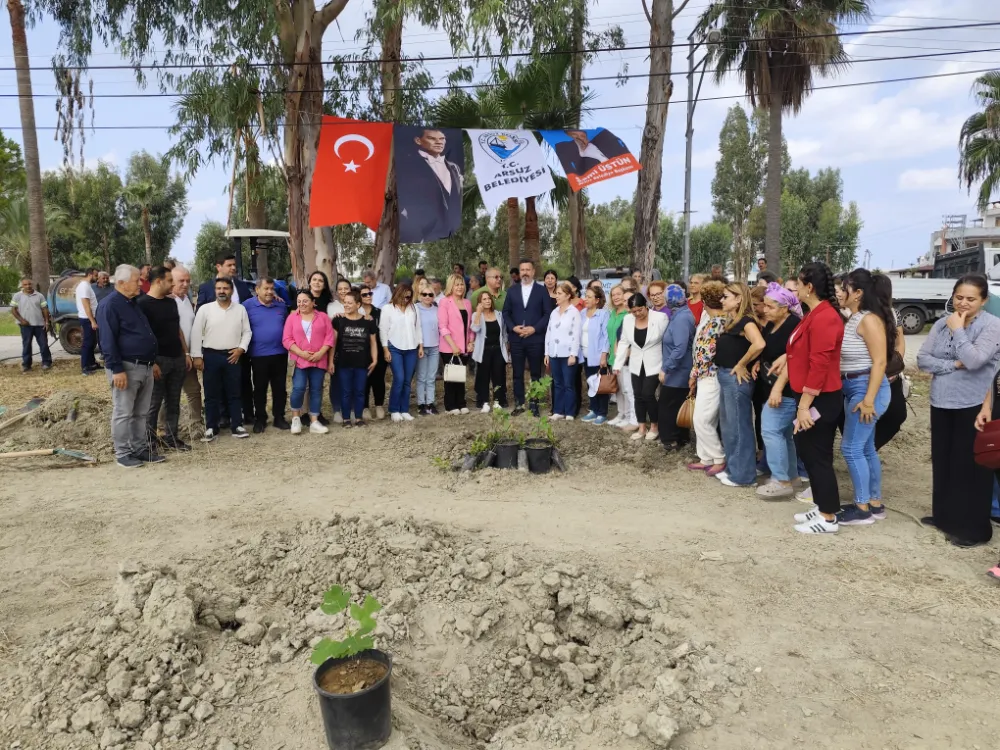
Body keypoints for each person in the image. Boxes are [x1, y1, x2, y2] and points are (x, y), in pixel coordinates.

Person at [920, 274, 1000, 547]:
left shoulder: (992, 326)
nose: (963, 303)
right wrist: (952, 365)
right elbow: (922, 359)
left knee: (971, 467)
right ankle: (945, 516)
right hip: (940, 400)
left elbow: (976, 360)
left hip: (974, 403)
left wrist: (959, 330)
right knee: (943, 460)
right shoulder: (942, 323)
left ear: (984, 300)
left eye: (971, 299)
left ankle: (976, 529)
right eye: (959, 297)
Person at [786, 262, 846, 535]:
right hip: (811, 395)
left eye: (798, 283)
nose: (795, 288)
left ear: (809, 287)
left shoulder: (825, 317)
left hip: (821, 398)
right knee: (807, 449)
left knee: (817, 454)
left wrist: (804, 407)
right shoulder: (814, 313)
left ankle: (828, 515)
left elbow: (819, 364)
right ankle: (822, 504)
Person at [836, 268, 894, 525]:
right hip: (854, 386)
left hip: (866, 388)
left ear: (857, 293)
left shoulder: (869, 320)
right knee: (866, 447)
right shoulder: (855, 317)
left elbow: (880, 362)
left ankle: (862, 508)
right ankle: (874, 502)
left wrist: (869, 399)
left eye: (844, 288)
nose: (839, 292)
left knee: (851, 448)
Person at [97, 265, 160, 469]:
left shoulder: (133, 303)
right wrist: (116, 369)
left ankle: (139, 448)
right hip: (126, 367)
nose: (141, 284)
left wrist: (153, 360)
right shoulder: (110, 305)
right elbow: (107, 341)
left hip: (145, 366)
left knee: (141, 412)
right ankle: (123, 453)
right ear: (122, 283)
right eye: (137, 280)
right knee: (124, 411)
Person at [712, 283, 766, 487]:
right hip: (726, 376)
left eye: (726, 297)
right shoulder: (733, 321)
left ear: (738, 299)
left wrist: (742, 363)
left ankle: (743, 476)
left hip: (736, 379)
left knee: (739, 428)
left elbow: (759, 344)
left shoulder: (747, 321)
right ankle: (735, 469)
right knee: (728, 426)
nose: (722, 300)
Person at [190, 277, 253, 442]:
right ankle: (211, 427)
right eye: (219, 288)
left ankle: (237, 426)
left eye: (225, 288)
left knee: (234, 392)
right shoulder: (205, 309)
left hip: (233, 356)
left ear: (231, 290)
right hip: (211, 355)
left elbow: (247, 332)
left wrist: (241, 348)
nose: (222, 291)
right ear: (215, 290)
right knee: (211, 394)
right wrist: (196, 356)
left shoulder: (240, 309)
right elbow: (196, 332)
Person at [756, 283, 802, 499]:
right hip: (772, 386)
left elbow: (795, 361)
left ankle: (781, 480)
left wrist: (778, 388)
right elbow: (769, 349)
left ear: (785, 308)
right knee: (784, 435)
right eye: (764, 306)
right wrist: (759, 362)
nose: (765, 310)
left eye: (770, 307)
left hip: (786, 390)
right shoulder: (772, 324)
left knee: (771, 431)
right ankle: (791, 476)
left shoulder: (794, 326)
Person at [138, 266, 191, 452]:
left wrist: (185, 353)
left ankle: (171, 438)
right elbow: (142, 336)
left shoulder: (170, 303)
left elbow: (177, 330)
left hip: (177, 358)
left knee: (174, 401)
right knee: (153, 404)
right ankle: (149, 442)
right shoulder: (142, 304)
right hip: (158, 361)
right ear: (158, 281)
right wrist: (151, 363)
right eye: (170, 280)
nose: (173, 284)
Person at [502, 259, 555, 417]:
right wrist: (513, 327)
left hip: (535, 339)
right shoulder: (512, 291)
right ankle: (519, 404)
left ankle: (534, 405)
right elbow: (506, 313)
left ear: (533, 272)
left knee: (535, 374)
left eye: (528, 269)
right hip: (517, 339)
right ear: (519, 272)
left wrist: (534, 328)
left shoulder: (541, 291)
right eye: (522, 270)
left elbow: (547, 314)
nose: (525, 272)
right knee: (517, 374)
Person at [613, 293, 668, 440]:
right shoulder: (627, 319)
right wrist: (618, 364)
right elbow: (624, 342)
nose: (637, 314)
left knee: (648, 394)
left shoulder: (660, 318)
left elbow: (667, 341)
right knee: (637, 395)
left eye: (640, 310)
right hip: (636, 363)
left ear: (646, 306)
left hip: (655, 362)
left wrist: (667, 366)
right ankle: (642, 426)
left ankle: (655, 426)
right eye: (634, 311)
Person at [687, 281, 728, 475]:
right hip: (705, 375)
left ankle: (718, 457)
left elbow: (704, 354)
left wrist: (693, 373)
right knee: (703, 419)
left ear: (705, 301)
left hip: (711, 376)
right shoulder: (715, 321)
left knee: (702, 419)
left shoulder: (717, 322)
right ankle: (705, 457)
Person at [398, 128, 463, 243]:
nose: (439, 142)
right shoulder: (406, 164)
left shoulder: (454, 167)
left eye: (442, 139)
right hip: (417, 234)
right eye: (432, 138)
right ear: (418, 140)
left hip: (448, 233)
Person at [282, 290, 333, 435]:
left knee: (316, 389)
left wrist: (320, 353)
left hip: (319, 360)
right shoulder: (292, 318)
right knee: (298, 388)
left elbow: (329, 338)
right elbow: (286, 339)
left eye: (305, 301)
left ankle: (314, 421)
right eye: (299, 301)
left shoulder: (323, 317)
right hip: (299, 361)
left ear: (313, 302)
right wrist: (301, 353)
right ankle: (296, 418)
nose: (301, 304)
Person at [244, 277, 290, 433]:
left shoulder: (281, 305)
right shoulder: (247, 306)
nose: (270, 292)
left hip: (280, 353)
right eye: (266, 289)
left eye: (272, 289)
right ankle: (260, 419)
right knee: (260, 389)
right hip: (258, 356)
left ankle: (279, 417)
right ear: (257, 290)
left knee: (279, 388)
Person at [332, 290, 378, 427]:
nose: (346, 305)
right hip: (343, 363)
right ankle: (346, 418)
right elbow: (333, 343)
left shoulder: (368, 322)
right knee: (346, 392)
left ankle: (358, 418)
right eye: (345, 303)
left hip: (362, 363)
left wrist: (375, 360)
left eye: (349, 303)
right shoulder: (338, 320)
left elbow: (373, 342)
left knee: (359, 391)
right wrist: (330, 362)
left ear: (358, 304)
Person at [872, 274, 908, 450]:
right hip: (868, 375)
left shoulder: (894, 314)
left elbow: (900, 341)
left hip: (891, 376)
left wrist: (897, 360)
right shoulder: (862, 316)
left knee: (897, 415)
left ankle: (870, 448)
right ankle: (862, 451)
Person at [658, 285, 695, 450]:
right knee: (677, 403)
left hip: (677, 371)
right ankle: (681, 437)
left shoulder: (681, 319)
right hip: (679, 370)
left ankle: (671, 439)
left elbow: (679, 348)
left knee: (668, 405)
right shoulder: (680, 315)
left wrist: (666, 368)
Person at [380, 283, 424, 422]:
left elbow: (418, 328)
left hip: (411, 347)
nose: (406, 298)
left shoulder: (414, 308)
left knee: (407, 381)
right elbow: (383, 330)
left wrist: (420, 346)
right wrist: (385, 349)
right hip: (395, 347)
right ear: (398, 293)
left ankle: (404, 409)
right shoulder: (388, 309)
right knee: (399, 378)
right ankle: (394, 409)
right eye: (404, 295)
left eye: (409, 296)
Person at [170, 265, 203, 426]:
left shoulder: (187, 301)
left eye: (188, 281)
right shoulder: (168, 301)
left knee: (194, 390)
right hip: (175, 355)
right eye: (181, 281)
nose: (185, 284)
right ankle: (163, 428)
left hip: (188, 355)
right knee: (170, 394)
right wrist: (184, 353)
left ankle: (196, 423)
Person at [545, 282, 583, 421]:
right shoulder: (554, 312)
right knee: (558, 383)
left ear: (568, 295)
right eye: (556, 293)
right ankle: (558, 410)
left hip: (568, 354)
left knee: (569, 384)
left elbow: (576, 334)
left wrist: (573, 354)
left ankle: (570, 412)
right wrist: (546, 353)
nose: (556, 296)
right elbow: (549, 332)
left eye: (560, 293)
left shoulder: (574, 312)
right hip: (554, 353)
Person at [439, 274, 474, 415]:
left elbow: (470, 326)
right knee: (451, 378)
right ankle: (450, 405)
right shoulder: (445, 302)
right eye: (456, 284)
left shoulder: (467, 303)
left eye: (461, 284)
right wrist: (453, 345)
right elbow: (443, 326)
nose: (460, 287)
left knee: (460, 376)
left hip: (464, 347)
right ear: (451, 286)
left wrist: (471, 341)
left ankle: (461, 403)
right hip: (449, 347)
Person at [471, 292, 509, 412]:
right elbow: (475, 329)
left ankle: (498, 400)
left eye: (489, 299)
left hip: (498, 349)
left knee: (498, 376)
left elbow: (504, 332)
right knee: (483, 376)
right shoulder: (476, 315)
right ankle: (484, 402)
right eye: (484, 299)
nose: (487, 301)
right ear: (480, 302)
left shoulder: (498, 314)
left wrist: (507, 346)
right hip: (484, 350)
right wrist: (478, 313)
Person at [607, 285, 638, 430]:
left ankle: (630, 417)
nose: (617, 298)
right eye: (613, 295)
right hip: (616, 357)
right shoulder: (612, 313)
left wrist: (622, 355)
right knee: (619, 389)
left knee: (628, 389)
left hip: (628, 359)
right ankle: (622, 414)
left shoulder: (629, 316)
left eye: (619, 294)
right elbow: (616, 339)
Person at [579, 285, 610, 425]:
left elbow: (606, 337)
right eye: (586, 296)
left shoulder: (603, 314)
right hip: (585, 355)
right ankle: (593, 409)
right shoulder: (582, 313)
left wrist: (604, 355)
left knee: (600, 385)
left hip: (598, 356)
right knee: (591, 383)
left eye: (589, 297)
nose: (586, 299)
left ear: (597, 300)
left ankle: (602, 412)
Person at [11, 277, 52, 373]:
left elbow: (44, 309)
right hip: (25, 326)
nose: (28, 286)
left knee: (43, 344)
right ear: (22, 285)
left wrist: (47, 322)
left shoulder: (39, 295)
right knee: (27, 345)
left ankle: (46, 362)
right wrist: (21, 320)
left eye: (29, 284)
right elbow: (13, 310)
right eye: (25, 284)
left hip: (39, 325)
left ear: (32, 284)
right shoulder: (17, 296)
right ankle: (26, 365)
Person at [359, 286, 388, 420]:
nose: (368, 296)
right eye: (364, 294)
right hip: (362, 352)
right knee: (364, 380)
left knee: (379, 379)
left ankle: (379, 405)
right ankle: (364, 407)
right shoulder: (356, 312)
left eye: (370, 293)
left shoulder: (379, 312)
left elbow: (384, 331)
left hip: (379, 350)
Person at [553, 128, 628, 175]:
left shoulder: (603, 146)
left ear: (587, 140)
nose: (579, 139)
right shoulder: (570, 156)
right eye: (574, 135)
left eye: (582, 136)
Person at [415, 280, 441, 415]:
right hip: (421, 347)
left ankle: (430, 402)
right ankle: (421, 404)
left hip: (435, 347)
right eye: (424, 294)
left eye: (430, 294)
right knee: (421, 377)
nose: (427, 297)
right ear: (419, 295)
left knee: (431, 377)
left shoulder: (437, 309)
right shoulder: (415, 309)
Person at [76, 267, 101, 375]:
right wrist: (92, 321)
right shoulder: (84, 286)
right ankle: (85, 367)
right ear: (90, 274)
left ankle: (92, 363)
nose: (97, 278)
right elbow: (86, 306)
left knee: (91, 342)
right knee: (87, 343)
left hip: (90, 318)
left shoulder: (86, 286)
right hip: (87, 318)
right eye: (96, 275)